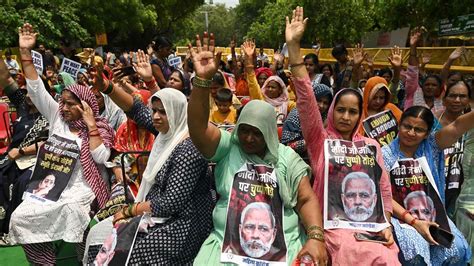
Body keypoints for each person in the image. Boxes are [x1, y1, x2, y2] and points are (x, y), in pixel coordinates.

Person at [187, 31, 327, 265]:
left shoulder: (287, 158)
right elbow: (198, 129)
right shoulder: (229, 146)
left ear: (271, 133)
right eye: (244, 130)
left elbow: (305, 199)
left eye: (257, 134)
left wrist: (315, 237)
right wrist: (202, 81)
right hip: (226, 244)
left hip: (281, 246)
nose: (249, 138)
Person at [287, 7, 399, 264]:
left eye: (352, 112)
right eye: (340, 110)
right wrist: (294, 48)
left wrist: (387, 224)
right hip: (332, 229)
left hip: (371, 229)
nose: (346, 117)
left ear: (360, 115)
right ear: (332, 111)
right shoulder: (321, 141)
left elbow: (383, 189)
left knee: (385, 258)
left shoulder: (371, 146)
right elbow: (306, 99)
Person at [85, 50, 214, 264]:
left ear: (177, 113)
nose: (155, 116)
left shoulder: (189, 148)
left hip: (184, 224)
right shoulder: (167, 134)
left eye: (162, 112)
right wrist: (107, 87)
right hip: (157, 212)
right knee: (99, 244)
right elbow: (136, 109)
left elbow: (170, 203)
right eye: (154, 110)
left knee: (126, 257)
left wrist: (128, 211)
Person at [9, 23, 115, 265]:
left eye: (70, 104)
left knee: (75, 214)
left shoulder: (100, 127)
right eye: (62, 102)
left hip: (81, 189)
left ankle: (86, 260)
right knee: (20, 217)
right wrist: (25, 53)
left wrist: (90, 126)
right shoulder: (57, 116)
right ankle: (45, 262)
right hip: (48, 191)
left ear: (85, 105)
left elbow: (101, 157)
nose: (63, 108)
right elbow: (35, 89)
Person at [382, 106, 473, 265]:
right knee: (415, 249)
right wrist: (413, 222)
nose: (411, 133)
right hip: (401, 217)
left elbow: (458, 126)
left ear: (427, 133)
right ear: (399, 125)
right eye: (407, 126)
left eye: (418, 129)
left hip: (433, 214)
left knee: (456, 248)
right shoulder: (385, 154)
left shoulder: (432, 145)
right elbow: (385, 196)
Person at [243, 40, 296, 123]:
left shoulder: (287, 104)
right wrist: (249, 61)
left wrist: (296, 91)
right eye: (268, 86)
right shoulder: (261, 99)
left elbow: (302, 108)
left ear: (280, 90)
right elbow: (253, 84)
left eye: (273, 87)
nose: (270, 89)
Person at [281, 83, 333, 158]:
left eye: (325, 103)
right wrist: (316, 137)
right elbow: (287, 147)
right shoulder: (296, 115)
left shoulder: (326, 117)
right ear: (311, 99)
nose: (321, 105)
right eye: (318, 100)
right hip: (298, 159)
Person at [405, 29, 444, 113]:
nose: (430, 87)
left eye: (434, 85)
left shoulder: (443, 104)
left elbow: (444, 77)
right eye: (427, 84)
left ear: (439, 88)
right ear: (422, 86)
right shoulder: (413, 93)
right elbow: (412, 72)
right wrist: (413, 47)